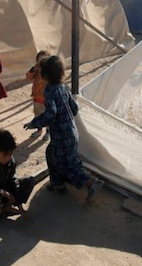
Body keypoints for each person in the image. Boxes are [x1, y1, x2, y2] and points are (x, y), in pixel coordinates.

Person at [24, 55, 105, 203]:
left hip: (61, 137)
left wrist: (34, 123)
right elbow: (74, 108)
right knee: (52, 154)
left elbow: (51, 113)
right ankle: (57, 184)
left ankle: (91, 182)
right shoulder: (63, 87)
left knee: (66, 166)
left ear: (45, 75)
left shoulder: (49, 90)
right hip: (71, 133)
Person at [26, 51, 51, 141]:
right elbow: (28, 77)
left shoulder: (50, 70)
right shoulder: (36, 70)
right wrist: (33, 69)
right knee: (37, 114)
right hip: (37, 96)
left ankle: (48, 131)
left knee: (48, 115)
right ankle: (39, 130)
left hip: (47, 97)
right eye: (40, 59)